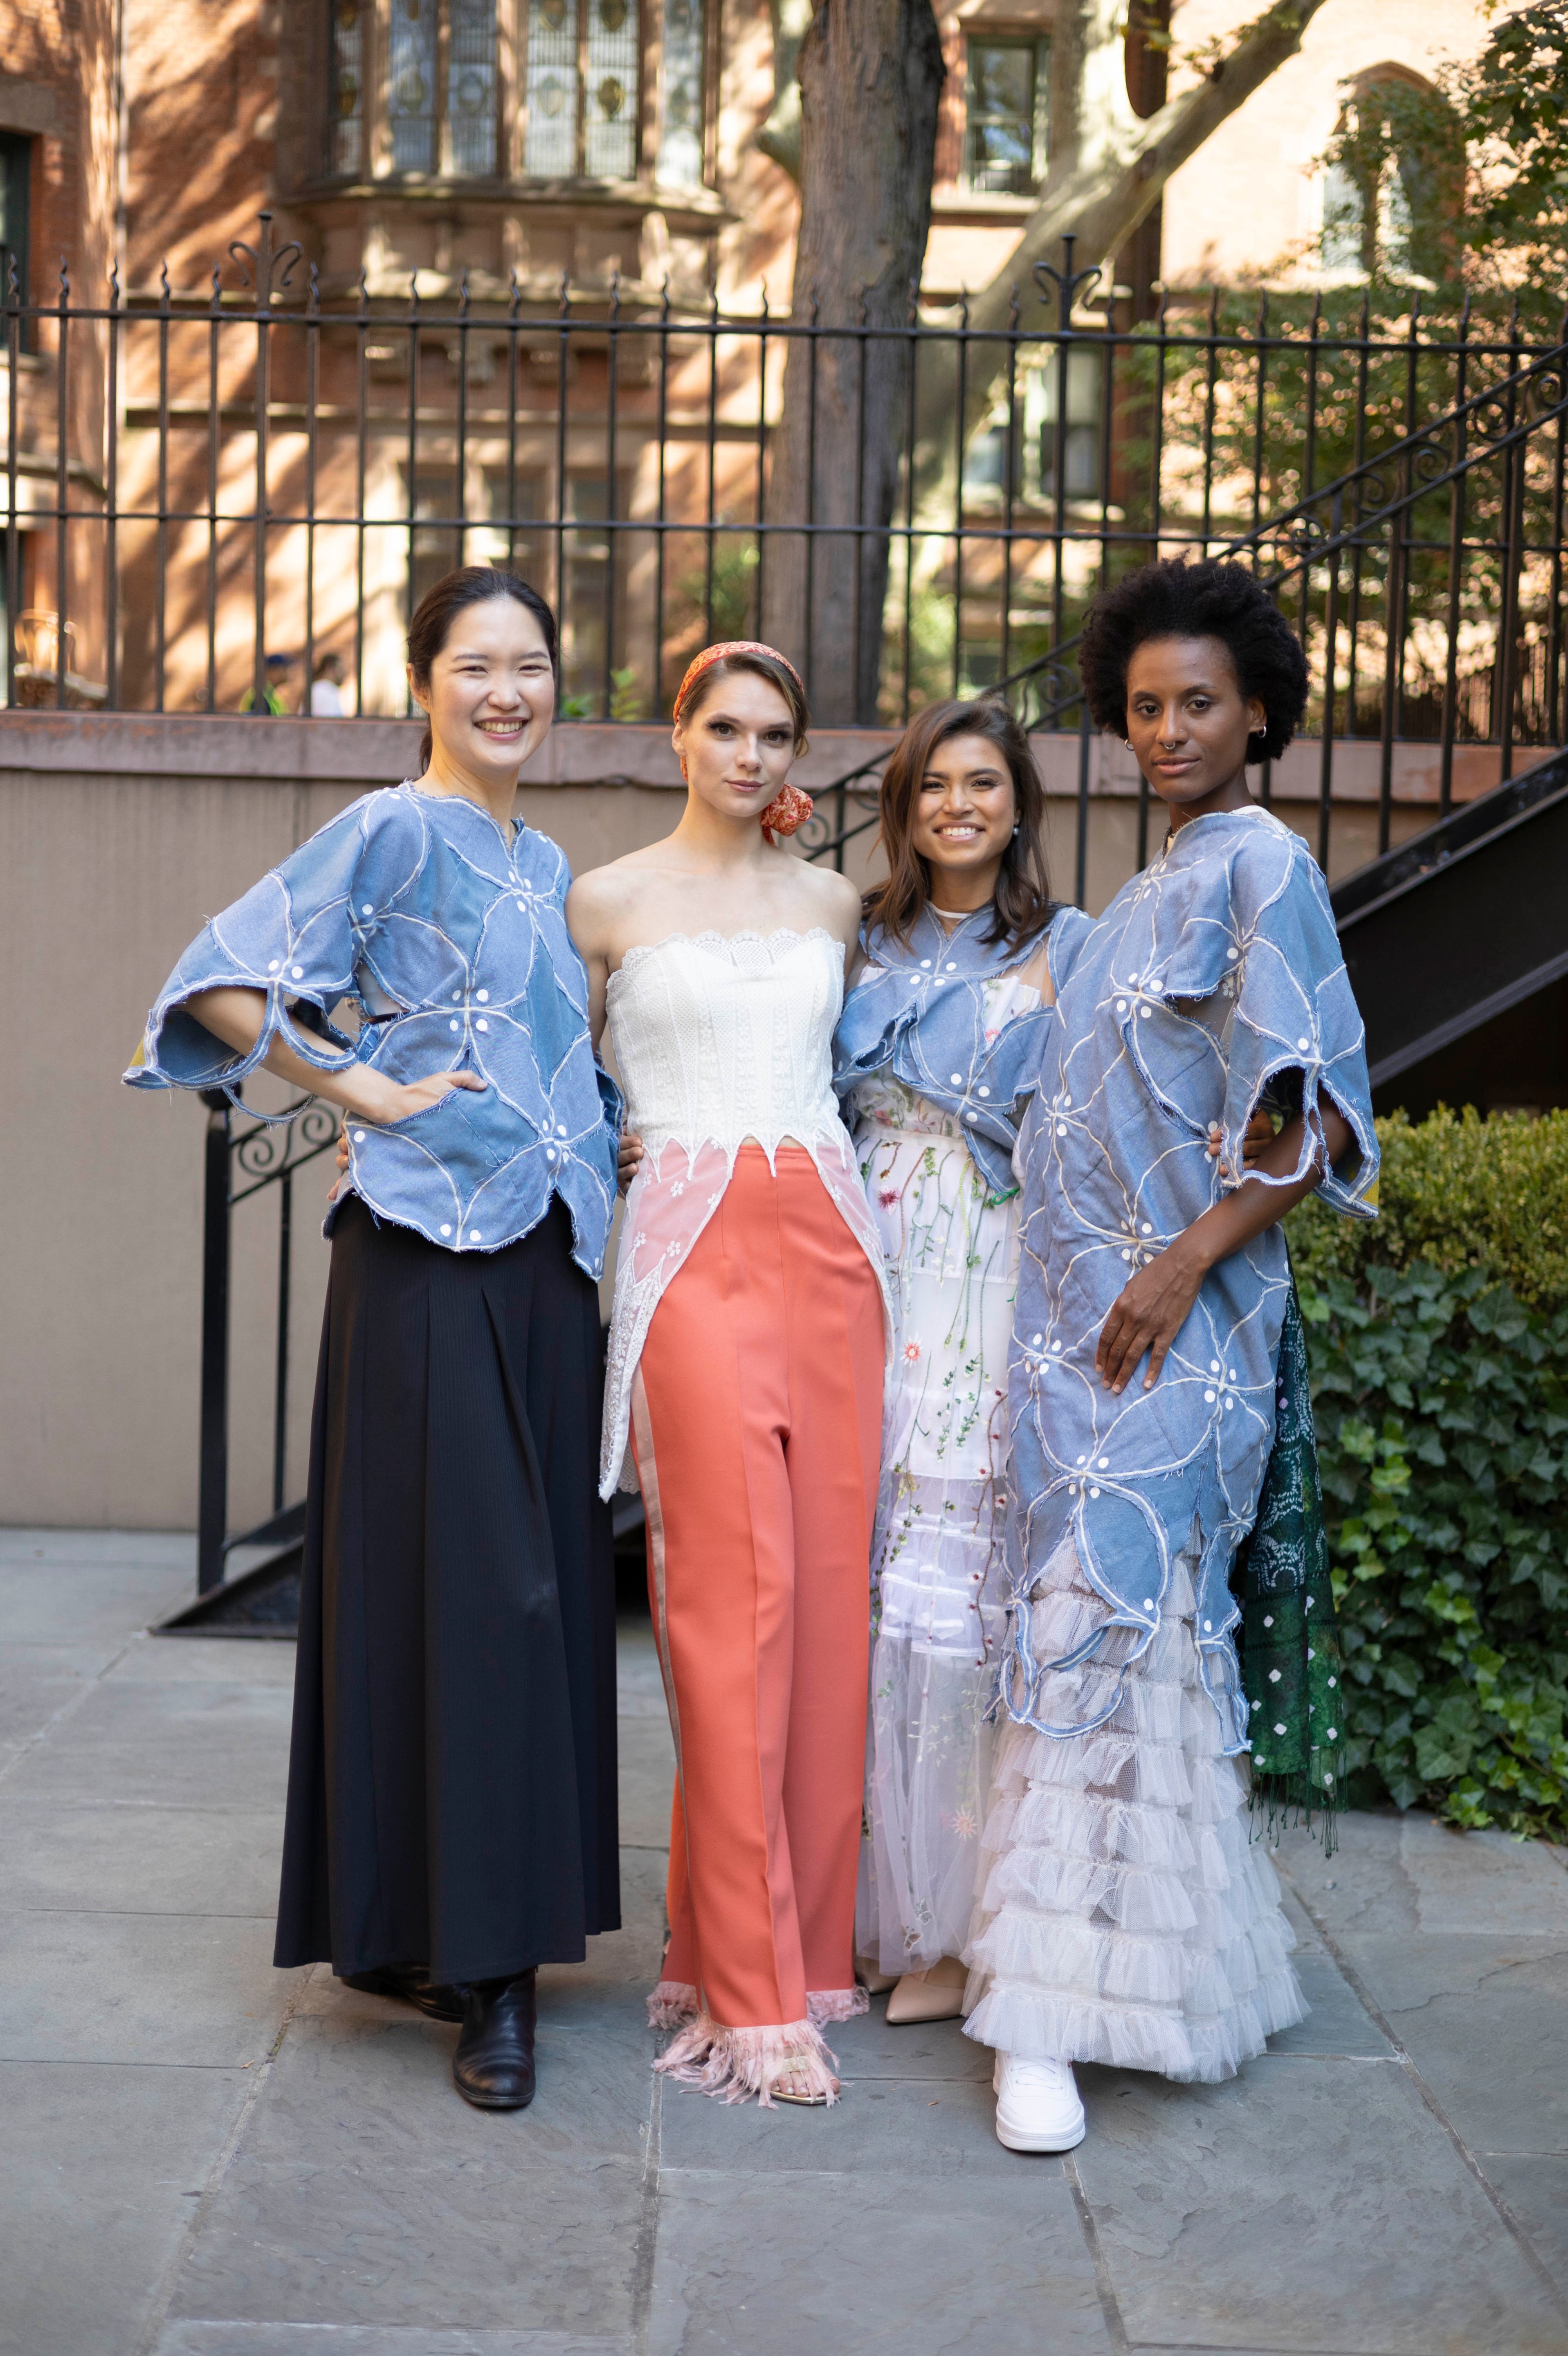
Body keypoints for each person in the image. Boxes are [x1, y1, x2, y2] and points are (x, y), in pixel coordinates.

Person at [125, 567, 627, 2113]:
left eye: (532, 664)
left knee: (531, 1601)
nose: (507, 691)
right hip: (423, 1262)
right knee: (490, 1593)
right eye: (476, 664)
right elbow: (211, 981)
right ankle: (488, 1977)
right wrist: (361, 1094)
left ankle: (431, 1928)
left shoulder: (547, 860)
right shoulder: (392, 827)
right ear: (425, 681)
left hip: (547, 1267)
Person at [965, 556, 1379, 2156]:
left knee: (1100, 1627)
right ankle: (1151, 1979)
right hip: (1074, 1344)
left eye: (1195, 702)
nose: (1163, 729)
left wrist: (1178, 1264)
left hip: (1180, 1338)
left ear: (1255, 712)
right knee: (1124, 1652)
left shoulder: (1260, 867)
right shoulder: (1131, 902)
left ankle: (1042, 2028)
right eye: (1139, 706)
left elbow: (1310, 1118)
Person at [570, 641, 890, 2108]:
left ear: (795, 758)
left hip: (834, 1244)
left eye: (774, 734)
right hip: (691, 1248)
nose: (750, 753)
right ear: (676, 734)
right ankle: (755, 2003)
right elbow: (544, 1075)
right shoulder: (606, 898)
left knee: (828, 1606)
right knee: (723, 1608)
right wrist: (607, 1138)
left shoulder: (837, 901)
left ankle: (783, 1948)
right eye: (725, 727)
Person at [831, 699, 1061, 2026]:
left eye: (981, 783)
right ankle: (877, 1901)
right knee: (864, 1585)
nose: (956, 805)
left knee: (959, 1580)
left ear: (1016, 803)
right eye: (932, 785)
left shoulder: (1064, 947)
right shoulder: (849, 938)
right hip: (861, 1258)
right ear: (903, 808)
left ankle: (961, 1923)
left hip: (989, 1270)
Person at [310, 651, 347, 715]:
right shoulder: (324, 691)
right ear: (330, 668)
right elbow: (330, 723)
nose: (344, 674)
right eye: (341, 669)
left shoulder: (319, 689)